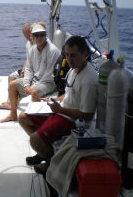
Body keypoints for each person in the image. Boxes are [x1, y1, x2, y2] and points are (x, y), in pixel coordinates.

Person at [18, 36, 97, 173]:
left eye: (73, 55)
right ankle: (44, 151)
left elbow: (88, 115)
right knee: (22, 117)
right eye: (66, 55)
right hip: (60, 112)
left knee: (34, 140)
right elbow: (69, 93)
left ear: (84, 54)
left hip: (71, 121)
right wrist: (52, 101)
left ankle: (52, 162)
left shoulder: (89, 79)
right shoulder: (73, 70)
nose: (69, 59)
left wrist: (60, 109)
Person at [0, 23, 60, 122]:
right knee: (12, 85)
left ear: (45, 35)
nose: (39, 37)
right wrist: (27, 84)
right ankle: (13, 114)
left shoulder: (53, 51)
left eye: (42, 34)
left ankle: (34, 120)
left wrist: (32, 87)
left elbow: (50, 75)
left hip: (48, 83)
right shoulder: (32, 50)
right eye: (36, 35)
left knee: (34, 91)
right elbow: (28, 69)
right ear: (32, 37)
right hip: (35, 81)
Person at [0, 22, 39, 110]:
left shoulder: (37, 44)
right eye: (25, 35)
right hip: (28, 68)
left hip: (34, 72)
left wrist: (27, 72)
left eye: (28, 34)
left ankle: (13, 103)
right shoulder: (28, 44)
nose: (27, 37)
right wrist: (23, 69)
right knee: (11, 76)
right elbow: (27, 59)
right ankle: (10, 101)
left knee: (15, 82)